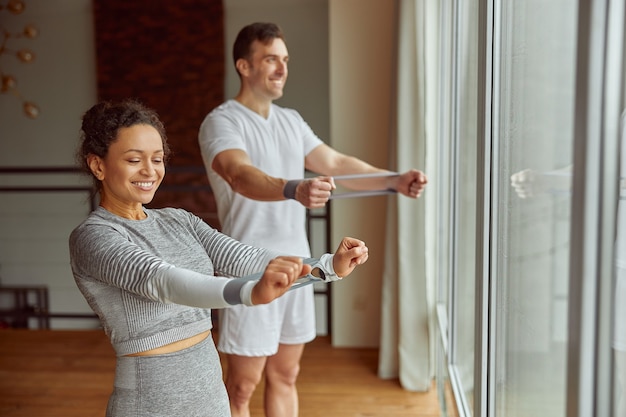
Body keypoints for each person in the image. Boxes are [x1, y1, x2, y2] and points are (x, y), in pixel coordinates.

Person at [69, 99, 370, 417]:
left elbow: (245, 258)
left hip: (211, 397)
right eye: (134, 159)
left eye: (157, 159)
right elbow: (162, 281)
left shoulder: (179, 220)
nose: (150, 171)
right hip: (149, 404)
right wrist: (249, 293)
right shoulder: (93, 236)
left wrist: (325, 267)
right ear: (98, 165)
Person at [198, 22, 428, 417]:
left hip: (299, 266)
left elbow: (336, 163)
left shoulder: (290, 120)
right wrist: (293, 188)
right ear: (244, 66)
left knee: (286, 375)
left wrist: (394, 179)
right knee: (240, 387)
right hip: (249, 267)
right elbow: (238, 174)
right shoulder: (222, 122)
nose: (282, 68)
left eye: (285, 60)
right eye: (271, 59)